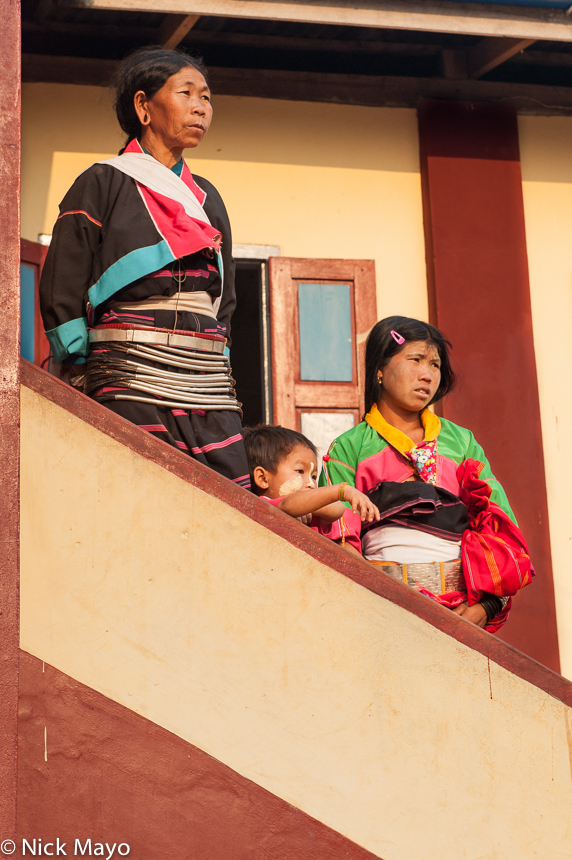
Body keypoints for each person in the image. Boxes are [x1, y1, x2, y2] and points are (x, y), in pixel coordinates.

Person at [39, 47, 250, 488]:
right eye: (186, 93)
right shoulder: (102, 181)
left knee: (228, 491)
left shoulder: (207, 197)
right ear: (143, 106)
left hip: (205, 376)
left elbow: (224, 297)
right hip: (128, 371)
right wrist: (79, 362)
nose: (200, 107)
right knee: (137, 485)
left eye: (207, 98)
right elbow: (65, 279)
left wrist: (219, 353)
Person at [319, 316, 534, 632]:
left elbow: (499, 526)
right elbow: (338, 535)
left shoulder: (461, 443)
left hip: (460, 611)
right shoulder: (350, 447)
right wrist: (375, 599)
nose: (427, 374)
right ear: (379, 368)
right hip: (381, 611)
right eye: (415, 360)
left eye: (435, 365)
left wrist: (485, 606)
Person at [244, 425, 379, 525]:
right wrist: (342, 490)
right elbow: (289, 504)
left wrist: (307, 507)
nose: (310, 483)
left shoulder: (312, 512)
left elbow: (337, 509)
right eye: (300, 471)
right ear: (263, 479)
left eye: (314, 476)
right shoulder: (265, 505)